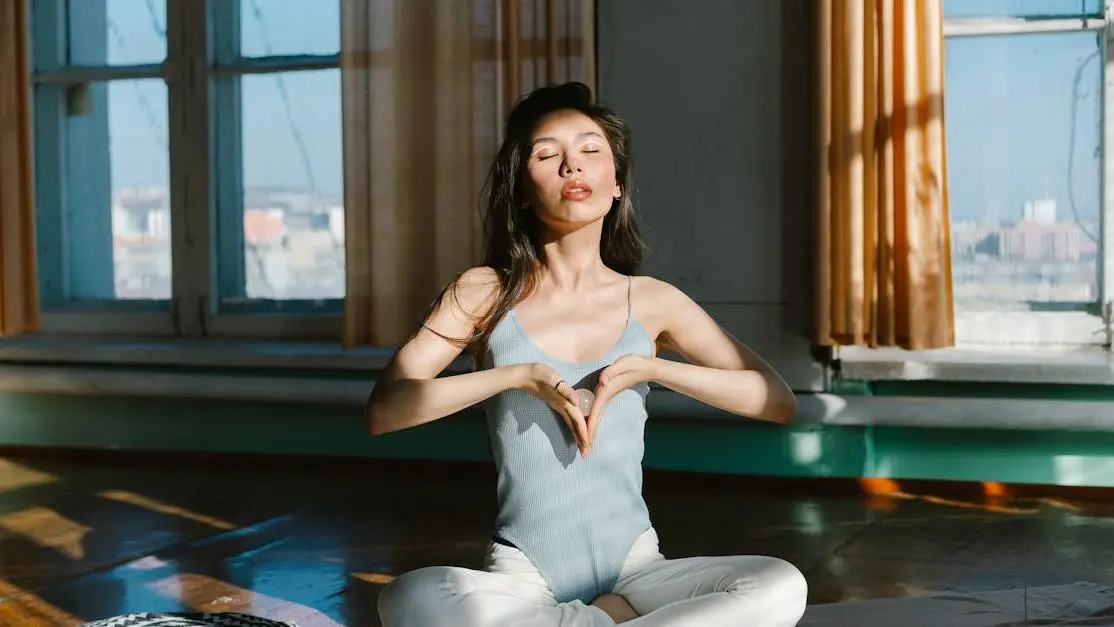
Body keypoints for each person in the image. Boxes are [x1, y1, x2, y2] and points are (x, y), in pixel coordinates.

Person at [368, 82, 808, 626]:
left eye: (590, 150)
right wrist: (514, 377)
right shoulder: (483, 292)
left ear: (616, 183)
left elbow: (776, 400)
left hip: (637, 572)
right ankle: (606, 620)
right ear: (523, 190)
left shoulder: (652, 300)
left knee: (779, 584)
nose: (572, 166)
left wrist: (652, 369)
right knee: (411, 597)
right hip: (522, 576)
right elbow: (387, 409)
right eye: (548, 154)